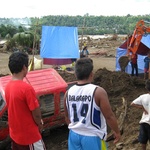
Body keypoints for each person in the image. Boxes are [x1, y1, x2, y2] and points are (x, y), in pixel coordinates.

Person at [64, 57, 121, 150]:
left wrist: (77, 128)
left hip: (73, 134)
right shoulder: (98, 91)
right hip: (92, 136)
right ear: (91, 74)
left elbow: (67, 117)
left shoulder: (68, 92)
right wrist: (117, 132)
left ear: (75, 74)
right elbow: (109, 116)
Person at [5, 52, 46, 150]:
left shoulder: (7, 86)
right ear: (24, 67)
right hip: (29, 137)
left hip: (15, 135)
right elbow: (36, 113)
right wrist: (40, 124)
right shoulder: (26, 88)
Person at [130, 79, 150, 150]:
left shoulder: (143, 96)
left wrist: (142, 107)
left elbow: (132, 103)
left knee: (143, 142)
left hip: (143, 122)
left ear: (146, 88)